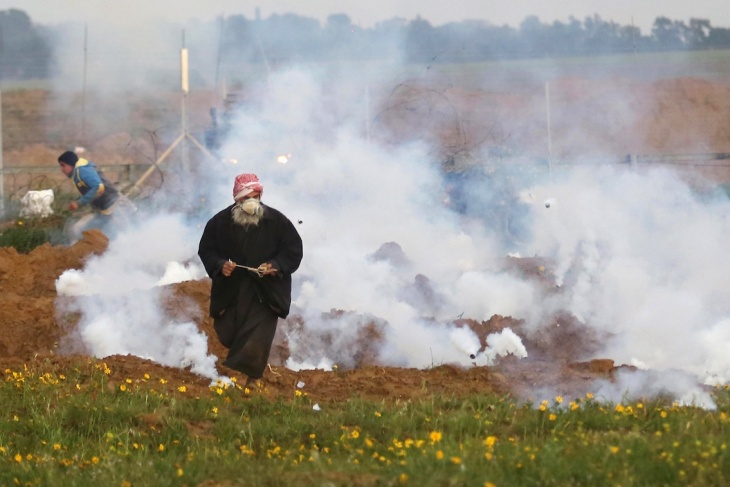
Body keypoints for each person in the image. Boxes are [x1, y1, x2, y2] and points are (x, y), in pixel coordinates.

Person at [198, 173, 303, 388]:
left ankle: (252, 379)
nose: (252, 202)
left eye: (256, 196)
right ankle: (244, 367)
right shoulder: (219, 223)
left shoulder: (277, 221)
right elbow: (207, 250)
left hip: (266, 291)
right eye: (247, 198)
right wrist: (220, 265)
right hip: (232, 290)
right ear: (237, 199)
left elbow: (293, 250)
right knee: (228, 333)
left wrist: (275, 266)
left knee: (257, 334)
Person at [57, 150, 135, 239]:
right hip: (105, 209)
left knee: (126, 235)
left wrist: (79, 203)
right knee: (82, 230)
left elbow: (98, 188)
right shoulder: (79, 173)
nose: (62, 169)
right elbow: (90, 191)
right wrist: (78, 202)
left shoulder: (82, 171)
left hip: (115, 205)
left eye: (63, 165)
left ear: (71, 164)